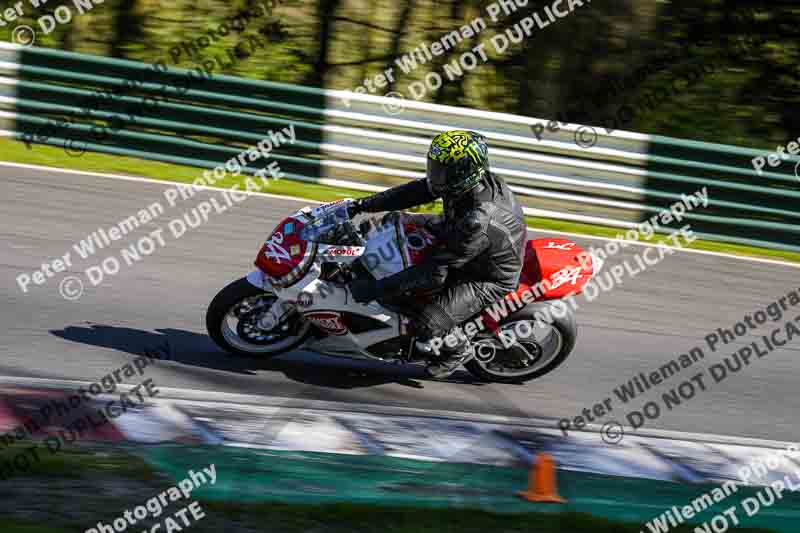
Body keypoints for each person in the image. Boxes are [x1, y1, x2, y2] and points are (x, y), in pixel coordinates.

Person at [346, 130, 527, 378]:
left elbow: (434, 274)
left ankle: (458, 349)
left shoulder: (479, 218)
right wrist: (363, 205)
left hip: (486, 276)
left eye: (441, 170)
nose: (434, 174)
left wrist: (375, 289)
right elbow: (413, 193)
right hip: (458, 233)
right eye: (434, 166)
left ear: (464, 171)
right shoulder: (462, 186)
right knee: (394, 221)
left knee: (428, 320)